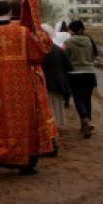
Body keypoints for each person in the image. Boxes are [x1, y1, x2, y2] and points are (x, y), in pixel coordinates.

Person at [0, 0, 55, 175]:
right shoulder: (22, 32)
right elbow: (37, 56)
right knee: (23, 122)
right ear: (11, 13)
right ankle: (25, 162)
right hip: (21, 88)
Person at [40, 23, 72, 154]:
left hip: (45, 83)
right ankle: (59, 128)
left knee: (47, 109)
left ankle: (52, 134)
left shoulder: (40, 50)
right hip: (58, 82)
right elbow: (69, 67)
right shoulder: (58, 49)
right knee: (57, 106)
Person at [64, 20, 98, 138]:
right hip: (90, 73)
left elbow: (65, 58)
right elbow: (94, 55)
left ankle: (84, 119)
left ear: (71, 30)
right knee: (87, 98)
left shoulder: (68, 42)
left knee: (78, 98)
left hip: (74, 74)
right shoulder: (89, 40)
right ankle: (86, 123)